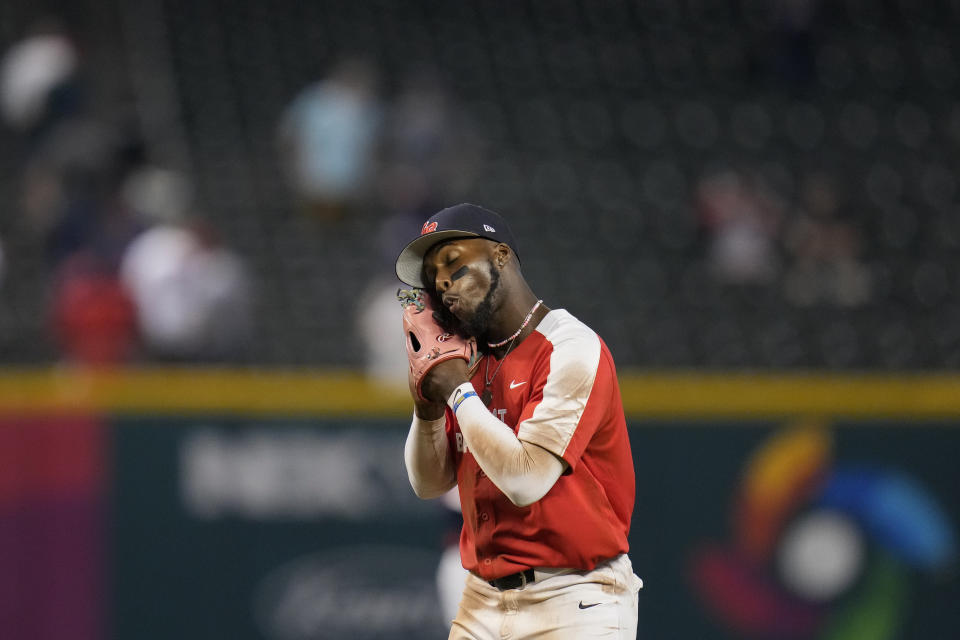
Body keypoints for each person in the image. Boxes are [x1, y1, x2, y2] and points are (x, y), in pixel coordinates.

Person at [396, 203, 642, 639]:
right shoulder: (468, 359)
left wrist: (456, 389)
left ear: (501, 256)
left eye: (454, 261)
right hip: (480, 599)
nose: (443, 282)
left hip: (575, 597)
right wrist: (427, 404)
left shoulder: (570, 346)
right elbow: (428, 483)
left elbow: (526, 480)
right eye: (434, 276)